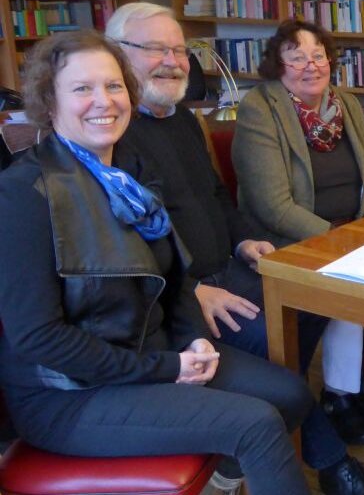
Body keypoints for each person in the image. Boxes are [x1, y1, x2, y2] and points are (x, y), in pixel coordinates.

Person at [0, 31, 313, 495]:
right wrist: (167, 369)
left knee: (291, 394)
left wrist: (196, 342)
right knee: (255, 424)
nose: (102, 101)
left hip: (153, 350)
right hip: (69, 393)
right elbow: (39, 338)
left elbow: (176, 275)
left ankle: (221, 482)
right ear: (50, 101)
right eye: (82, 89)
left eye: (113, 86)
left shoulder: (130, 172)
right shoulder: (23, 193)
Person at [107, 4, 364, 495]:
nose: (172, 60)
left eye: (178, 49)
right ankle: (331, 464)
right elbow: (126, 245)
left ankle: (273, 435)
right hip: (189, 292)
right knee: (274, 349)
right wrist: (191, 293)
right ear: (117, 55)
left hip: (231, 265)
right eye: (156, 49)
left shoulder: (182, 121)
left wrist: (243, 240)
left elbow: (218, 197)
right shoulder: (112, 134)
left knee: (313, 302)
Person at [232, 20, 364, 451]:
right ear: (277, 63)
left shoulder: (346, 103)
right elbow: (273, 205)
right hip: (291, 239)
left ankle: (345, 391)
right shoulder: (259, 108)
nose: (311, 65)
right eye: (296, 55)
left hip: (354, 232)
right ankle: (328, 400)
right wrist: (339, 241)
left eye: (318, 54)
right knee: (349, 279)